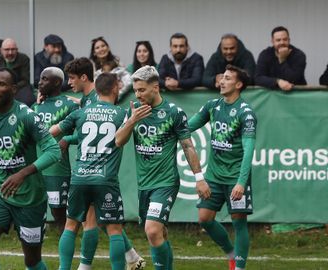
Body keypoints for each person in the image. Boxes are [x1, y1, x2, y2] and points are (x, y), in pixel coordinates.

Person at [0, 67, 61, 270]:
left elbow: (53, 151)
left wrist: (22, 174)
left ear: (13, 89)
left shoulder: (27, 116)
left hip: (30, 197)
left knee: (32, 260)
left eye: (1, 84)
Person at [115, 65, 207, 270]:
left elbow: (188, 146)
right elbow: (118, 141)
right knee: (160, 232)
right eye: (135, 90)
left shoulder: (174, 113)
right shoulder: (134, 113)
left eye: (141, 90)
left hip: (166, 182)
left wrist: (199, 178)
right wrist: (132, 120)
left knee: (152, 230)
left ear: (155, 88)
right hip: (144, 184)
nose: (137, 95)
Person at [64, 57, 145, 270]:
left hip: (88, 169)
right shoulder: (88, 100)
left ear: (84, 78)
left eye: (72, 78)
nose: (69, 82)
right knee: (108, 222)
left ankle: (85, 266)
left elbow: (83, 135)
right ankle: (131, 257)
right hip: (103, 173)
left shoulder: (92, 102)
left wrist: (66, 139)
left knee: (89, 221)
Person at [51, 73, 128, 270]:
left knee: (71, 226)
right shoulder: (122, 113)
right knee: (114, 230)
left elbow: (53, 131)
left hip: (79, 178)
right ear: (114, 89)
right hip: (106, 180)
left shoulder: (81, 112)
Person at [189, 64, 257, 270]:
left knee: (239, 222)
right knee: (204, 219)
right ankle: (231, 253)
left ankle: (239, 268)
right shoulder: (212, 106)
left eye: (227, 78)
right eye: (222, 77)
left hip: (236, 177)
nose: (222, 81)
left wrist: (241, 183)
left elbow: (248, 150)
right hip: (214, 176)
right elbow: (187, 127)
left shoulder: (246, 113)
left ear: (238, 84)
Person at [31, 67, 79, 234]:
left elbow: (85, 133)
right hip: (35, 168)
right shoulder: (36, 106)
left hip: (57, 170)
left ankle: (65, 255)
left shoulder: (70, 105)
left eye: (45, 79)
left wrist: (68, 139)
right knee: (34, 212)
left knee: (58, 213)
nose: (39, 82)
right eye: (40, 78)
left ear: (57, 82)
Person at [255, 26, 306, 91]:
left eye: (285, 39)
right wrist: (277, 81)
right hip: (271, 94)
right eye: (278, 40)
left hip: (295, 93)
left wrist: (282, 60)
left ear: (289, 40)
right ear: (272, 42)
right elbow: (258, 78)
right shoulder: (265, 54)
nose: (282, 42)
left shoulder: (299, 55)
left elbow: (293, 79)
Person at [0, 38, 34, 106]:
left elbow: (25, 80)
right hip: (1, 88)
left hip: (20, 87)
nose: (10, 52)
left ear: (17, 50)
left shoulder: (24, 58)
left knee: (27, 100)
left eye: (13, 49)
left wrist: (11, 87)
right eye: (7, 50)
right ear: (1, 50)